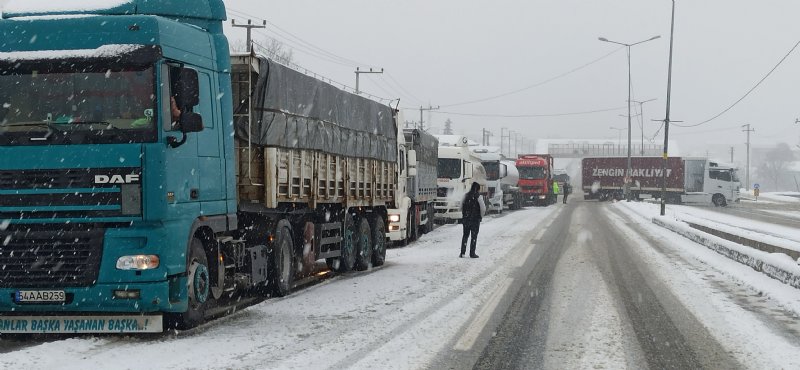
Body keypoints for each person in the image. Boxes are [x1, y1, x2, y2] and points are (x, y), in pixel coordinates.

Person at [460, 182, 486, 258]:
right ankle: (472, 253)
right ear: (478, 189)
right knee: (473, 237)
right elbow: (483, 209)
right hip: (475, 220)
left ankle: (462, 253)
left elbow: (460, 206)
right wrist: (480, 216)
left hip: (466, 219)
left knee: (465, 235)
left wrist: (465, 214)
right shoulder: (478, 197)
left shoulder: (465, 195)